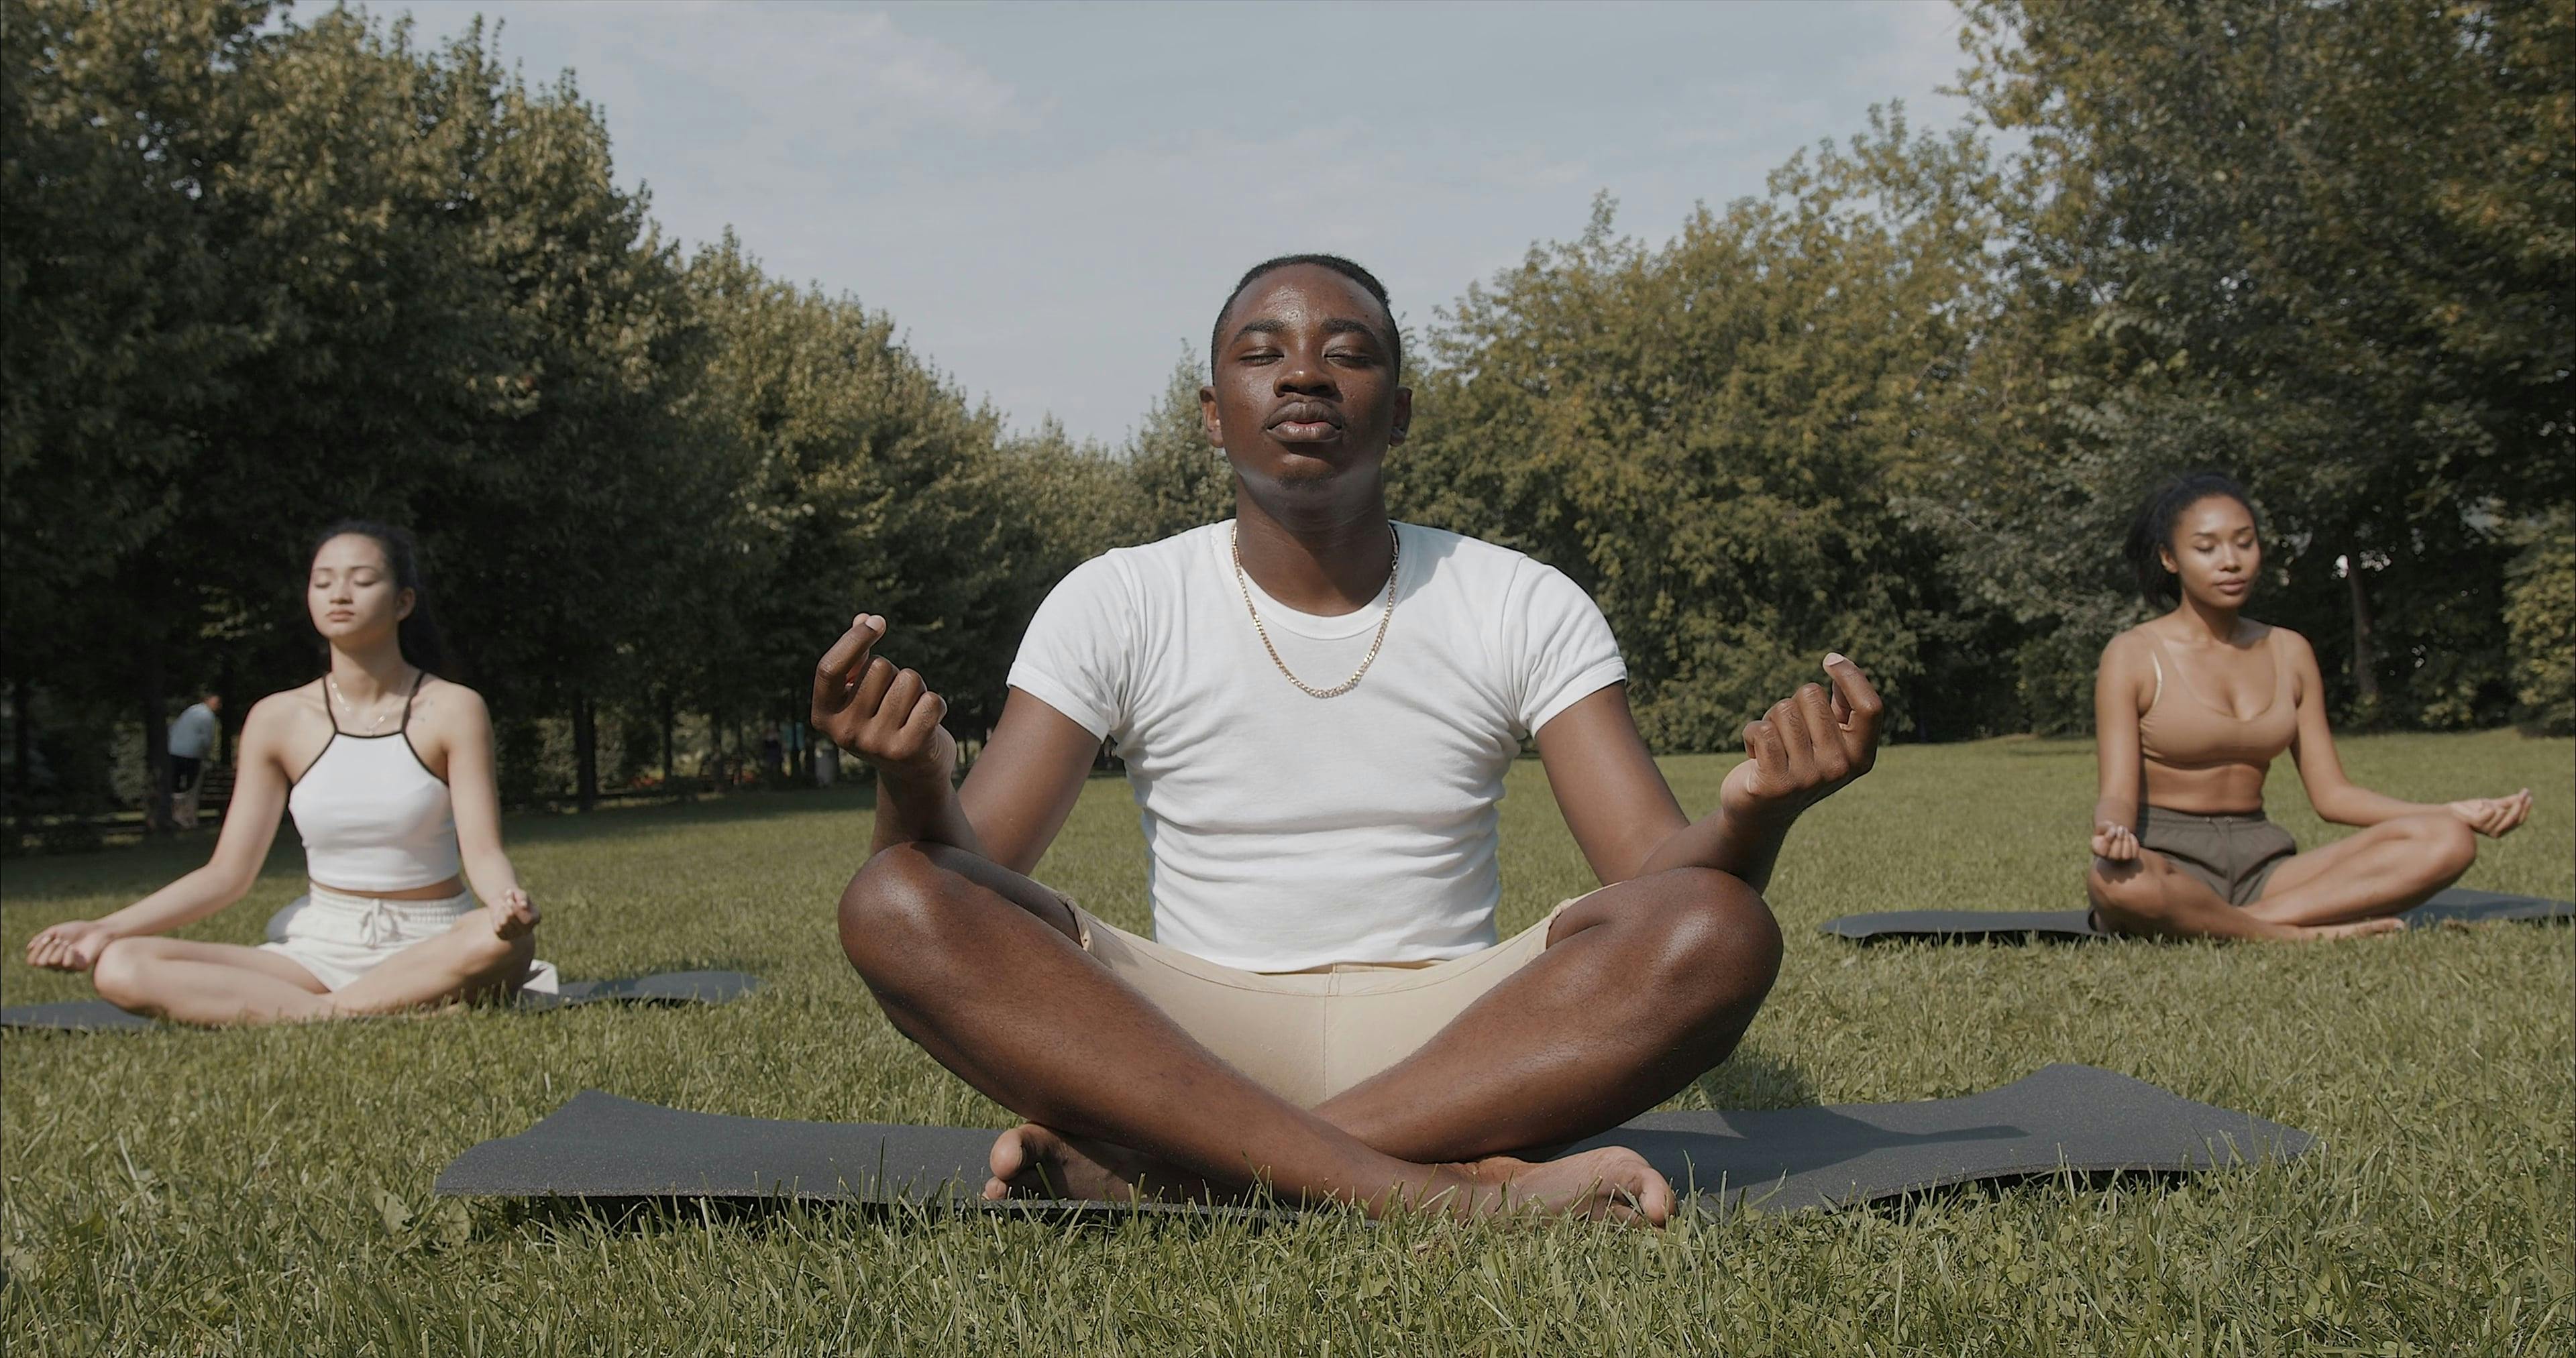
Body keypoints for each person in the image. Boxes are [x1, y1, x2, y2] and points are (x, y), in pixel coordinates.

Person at [813, 256, 1884, 1225]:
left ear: (1400, 412)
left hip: (1462, 1042)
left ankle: (1193, 1174)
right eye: (1262, 353)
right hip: (1183, 1035)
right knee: (892, 900)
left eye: (1349, 353)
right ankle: (1439, 1195)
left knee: (1719, 926)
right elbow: (962, 886)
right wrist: (912, 783)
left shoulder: (1518, 599)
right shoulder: (1118, 598)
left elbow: (1655, 881)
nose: (1304, 375)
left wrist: (1754, 818)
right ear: (1212, 414)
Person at [23, 522, 547, 1023]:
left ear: (403, 601)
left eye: (362, 580)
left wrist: (506, 901)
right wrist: (104, 928)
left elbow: (483, 851)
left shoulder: (454, 707)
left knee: (502, 942)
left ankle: (325, 1011)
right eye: (323, 582)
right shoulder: (277, 718)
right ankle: (358, 1011)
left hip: (433, 942)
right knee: (122, 965)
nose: (339, 594)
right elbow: (227, 874)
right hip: (318, 951)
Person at [2085, 473, 2532, 941]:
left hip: (2265, 870)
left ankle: (2238, 925)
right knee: (2114, 881)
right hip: (2168, 864)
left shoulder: (2290, 651)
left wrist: (2448, 812)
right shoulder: (2133, 654)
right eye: (2206, 548)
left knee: (2447, 839)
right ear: (2169, 558)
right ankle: (2294, 934)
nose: (2231, 561)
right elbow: (2117, 794)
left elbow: (2332, 795)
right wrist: (2113, 830)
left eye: (2245, 543)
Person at [166, 692, 222, 830]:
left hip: (174, 750)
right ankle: (187, 816)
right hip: (192, 754)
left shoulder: (191, 711)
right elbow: (207, 739)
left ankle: (179, 815)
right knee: (191, 787)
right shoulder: (207, 715)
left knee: (177, 786)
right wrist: (207, 755)